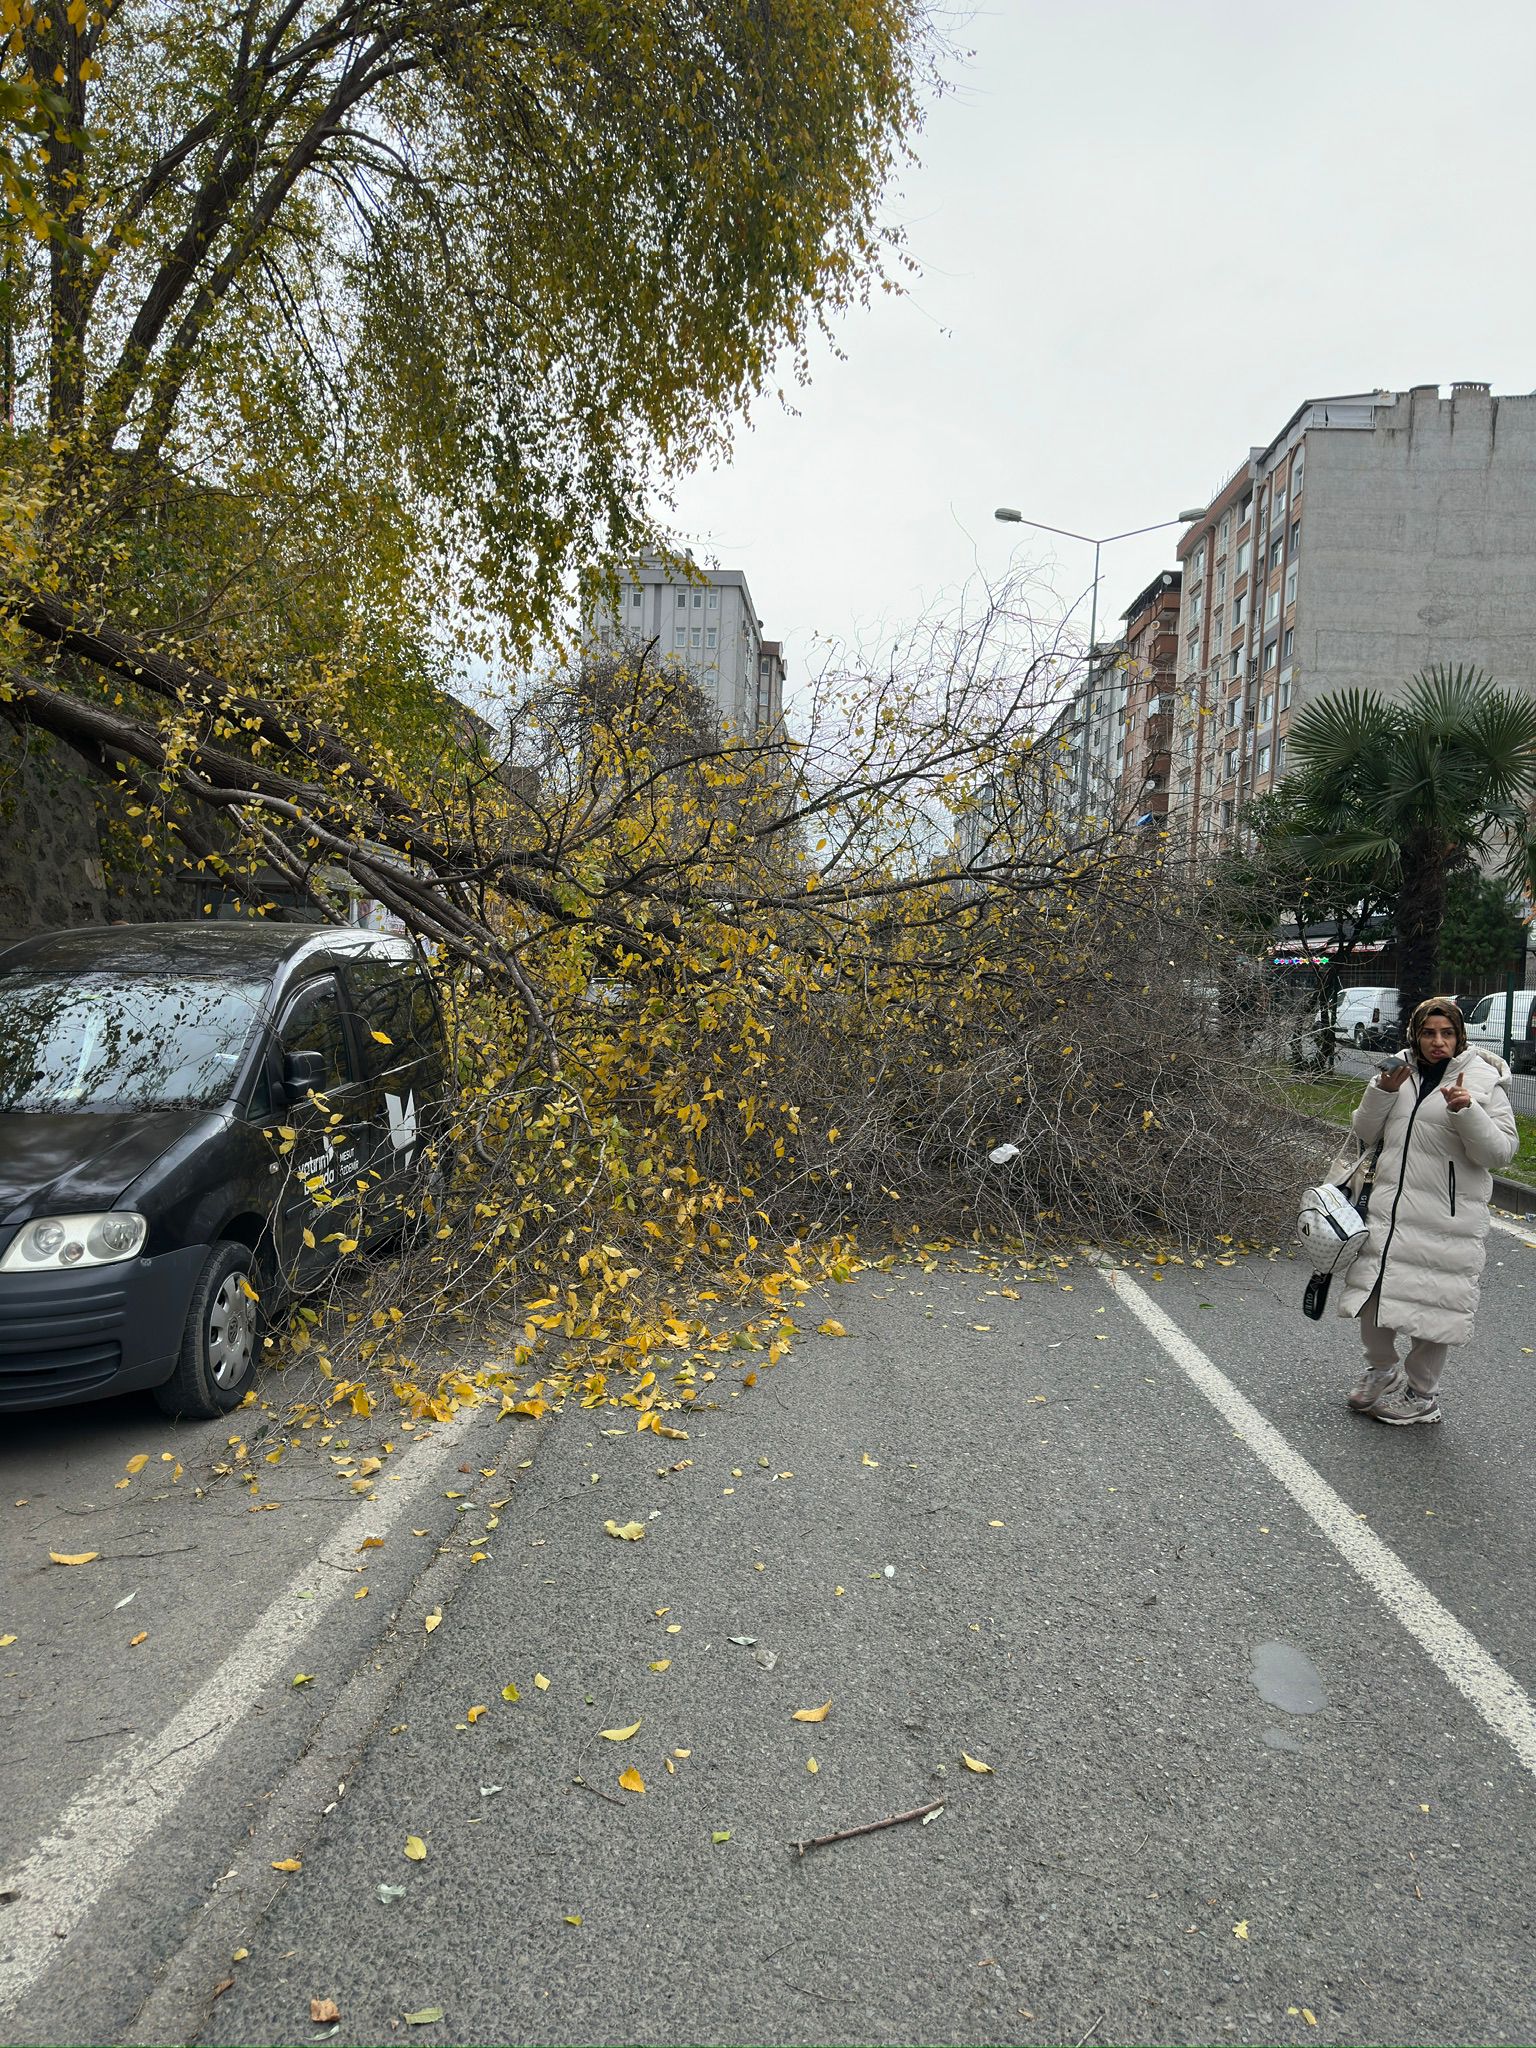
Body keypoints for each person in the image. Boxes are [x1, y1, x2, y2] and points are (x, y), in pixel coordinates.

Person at [1337, 994, 1517, 1425]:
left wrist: (1467, 1111)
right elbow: (1365, 1132)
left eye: (1447, 1033)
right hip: (1389, 1210)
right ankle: (1382, 1369)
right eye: (1429, 1033)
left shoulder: (1482, 1080)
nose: (1439, 1042)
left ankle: (1422, 1395)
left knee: (1435, 1306)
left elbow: (1500, 1153)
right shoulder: (1396, 1071)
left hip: (1447, 1218)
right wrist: (1382, 1092)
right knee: (1374, 1294)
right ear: (1415, 1035)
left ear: (1460, 1036)